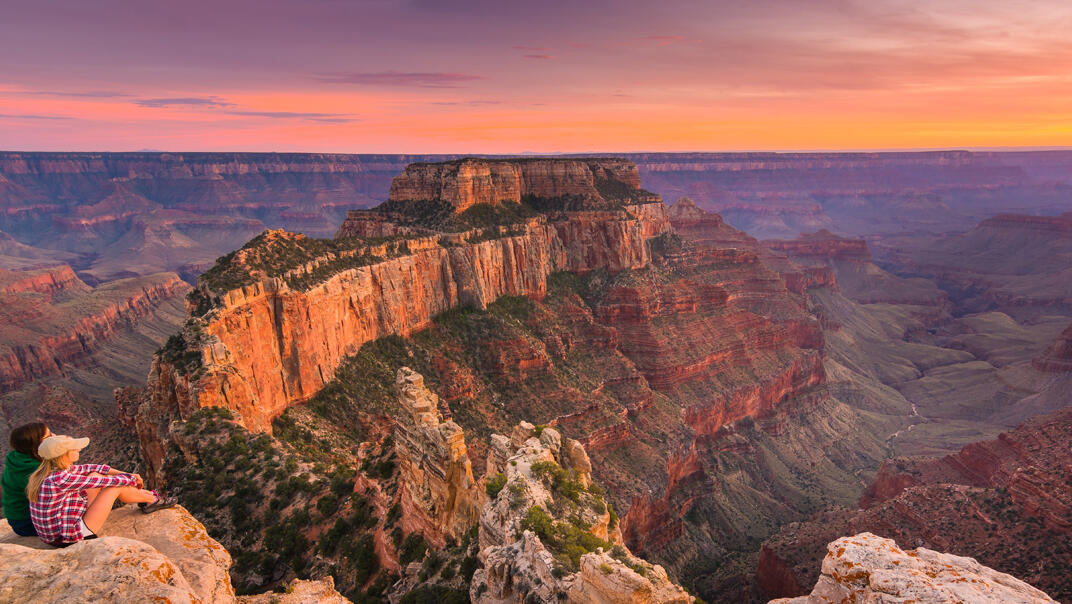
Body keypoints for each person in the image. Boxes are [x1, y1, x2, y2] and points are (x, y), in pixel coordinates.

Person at [26, 434, 176, 547]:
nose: (79, 449)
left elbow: (92, 469)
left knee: (95, 475)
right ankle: (151, 500)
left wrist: (128, 475)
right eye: (74, 448)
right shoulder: (59, 479)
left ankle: (148, 498)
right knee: (113, 487)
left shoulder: (52, 470)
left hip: (60, 528)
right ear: (64, 454)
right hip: (67, 537)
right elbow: (107, 482)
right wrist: (131, 479)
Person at [2, 422, 50, 536]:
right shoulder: (34, 470)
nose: (55, 436)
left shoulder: (16, 458)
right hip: (28, 524)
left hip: (17, 521)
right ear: (36, 443)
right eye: (49, 436)